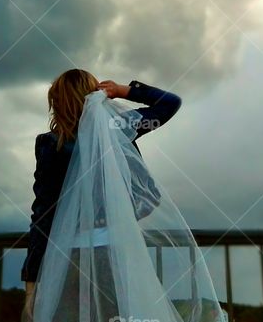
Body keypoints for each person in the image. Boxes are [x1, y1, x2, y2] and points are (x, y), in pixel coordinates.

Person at [20, 69, 183, 321]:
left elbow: (42, 215)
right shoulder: (118, 128)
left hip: (65, 258)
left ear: (56, 103)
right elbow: (171, 103)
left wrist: (31, 283)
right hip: (111, 252)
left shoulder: (49, 144)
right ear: (95, 97)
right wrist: (123, 90)